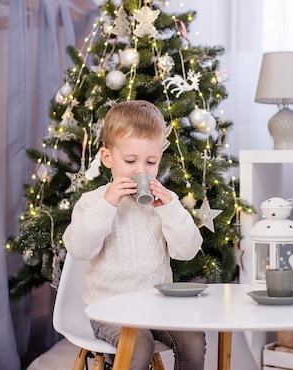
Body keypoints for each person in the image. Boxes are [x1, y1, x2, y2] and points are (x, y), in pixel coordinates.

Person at [62, 100, 206, 370]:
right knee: (139, 344)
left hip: (158, 307)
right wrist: (108, 204)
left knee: (193, 339)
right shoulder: (94, 201)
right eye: (130, 161)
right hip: (110, 310)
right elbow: (79, 248)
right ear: (107, 158)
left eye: (150, 162)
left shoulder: (165, 203)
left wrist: (171, 209)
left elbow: (187, 251)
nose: (141, 170)